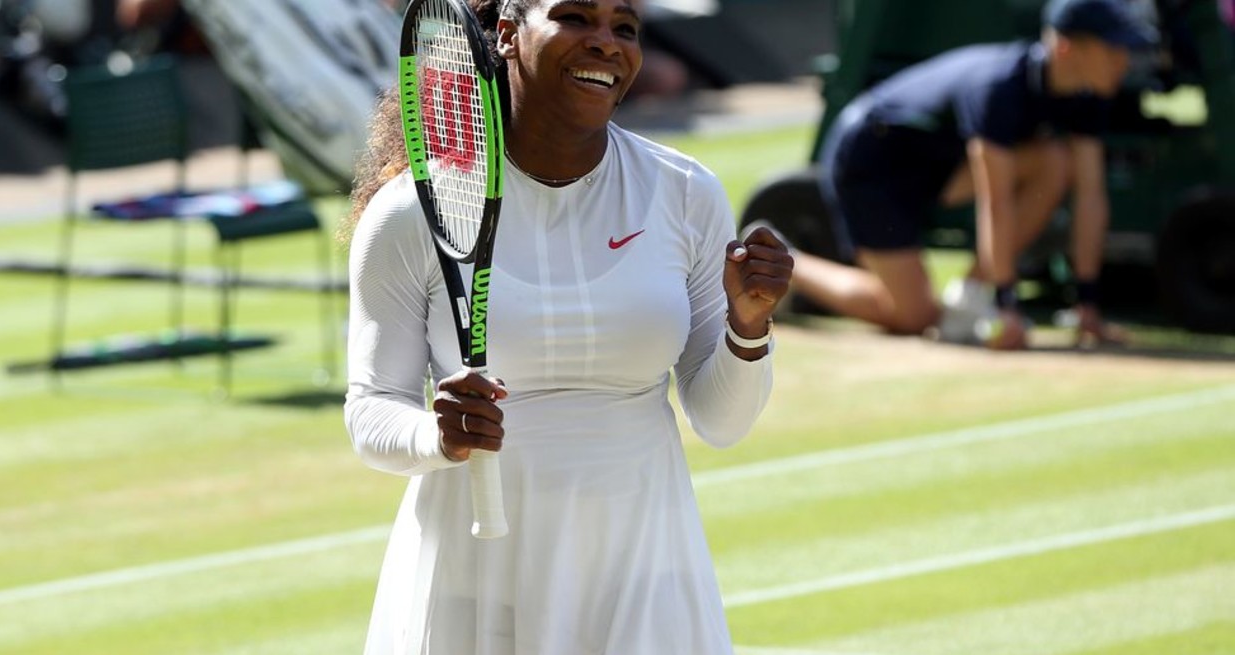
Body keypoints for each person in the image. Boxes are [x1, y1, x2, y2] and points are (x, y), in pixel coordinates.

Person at [341, 0, 793, 652]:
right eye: (576, 16)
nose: (606, 43)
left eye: (625, 27)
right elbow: (372, 408)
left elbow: (723, 422)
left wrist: (748, 327)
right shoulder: (408, 213)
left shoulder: (686, 193)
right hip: (474, 577)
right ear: (507, 34)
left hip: (648, 569)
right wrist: (436, 435)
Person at [780, 0, 1154, 349]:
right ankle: (779, 261)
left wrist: (1087, 304)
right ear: (1067, 49)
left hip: (936, 167)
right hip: (872, 160)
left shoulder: (1088, 98)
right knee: (913, 317)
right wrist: (1007, 305)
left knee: (1055, 162)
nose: (1123, 61)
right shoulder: (999, 88)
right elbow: (996, 201)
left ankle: (969, 296)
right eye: (1112, 49)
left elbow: (1091, 196)